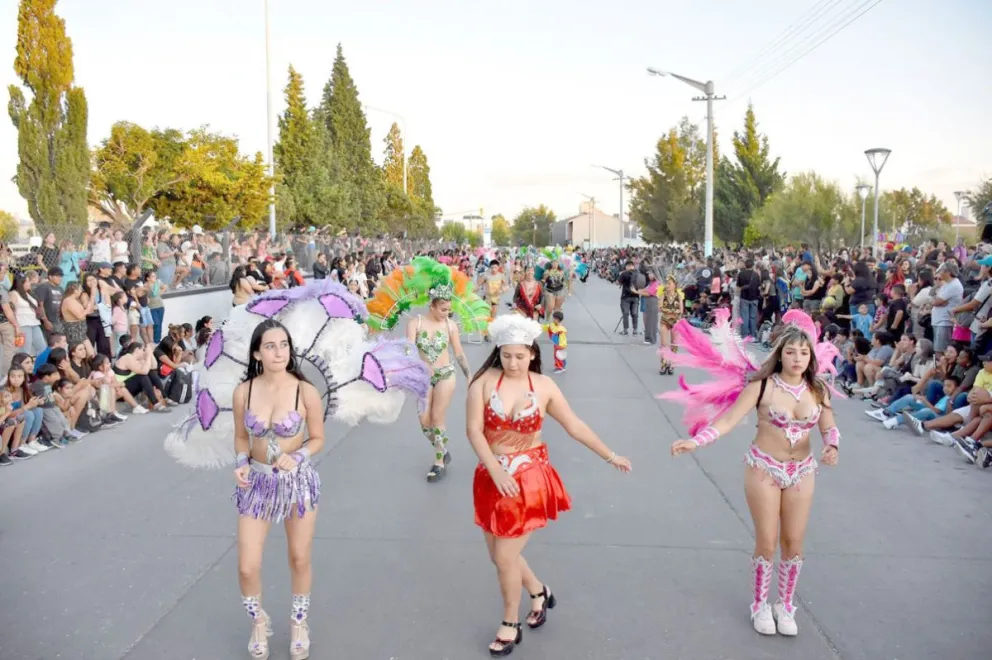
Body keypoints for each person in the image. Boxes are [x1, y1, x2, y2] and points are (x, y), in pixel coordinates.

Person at [661, 309, 840, 638]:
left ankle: (785, 605)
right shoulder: (761, 387)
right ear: (779, 354)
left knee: (794, 542)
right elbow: (727, 422)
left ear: (811, 356)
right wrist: (695, 442)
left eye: (804, 353)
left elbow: (830, 428)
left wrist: (832, 447)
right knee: (767, 541)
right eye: (791, 352)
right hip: (764, 467)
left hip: (802, 470)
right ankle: (760, 604)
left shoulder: (818, 390)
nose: (798, 359)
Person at [467, 314, 631, 656]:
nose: (514, 362)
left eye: (521, 355)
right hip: (490, 478)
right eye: (507, 355)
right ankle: (539, 592)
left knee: (505, 555)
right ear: (499, 352)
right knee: (499, 556)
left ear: (532, 353)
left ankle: (510, 623)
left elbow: (575, 426)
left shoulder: (543, 386)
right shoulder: (482, 383)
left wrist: (610, 455)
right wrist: (494, 469)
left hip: (529, 479)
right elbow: (473, 430)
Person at [231, 319, 324, 660]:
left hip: (296, 483)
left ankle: (299, 623)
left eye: (284, 344)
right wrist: (241, 460)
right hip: (256, 483)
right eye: (270, 346)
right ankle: (258, 622)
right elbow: (242, 436)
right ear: (257, 352)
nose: (278, 352)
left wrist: (297, 455)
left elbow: (317, 438)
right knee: (246, 565)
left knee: (299, 557)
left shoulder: (305, 391)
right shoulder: (244, 391)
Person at [367, 256, 490, 483]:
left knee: (437, 416)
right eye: (443, 309)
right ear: (432, 304)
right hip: (422, 377)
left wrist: (471, 376)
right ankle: (442, 448)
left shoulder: (450, 325)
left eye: (449, 309)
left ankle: (439, 461)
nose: (446, 313)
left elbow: (459, 353)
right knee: (424, 422)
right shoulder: (415, 323)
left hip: (445, 375)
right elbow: (409, 351)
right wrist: (410, 368)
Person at [658, 274, 684, 375]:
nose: (667, 285)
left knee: (674, 344)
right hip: (665, 320)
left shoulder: (679, 296)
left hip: (676, 321)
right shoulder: (663, 294)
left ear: (674, 285)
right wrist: (670, 310)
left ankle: (672, 363)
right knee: (664, 344)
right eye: (666, 283)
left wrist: (677, 317)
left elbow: (681, 310)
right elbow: (659, 307)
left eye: (669, 283)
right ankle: (663, 364)